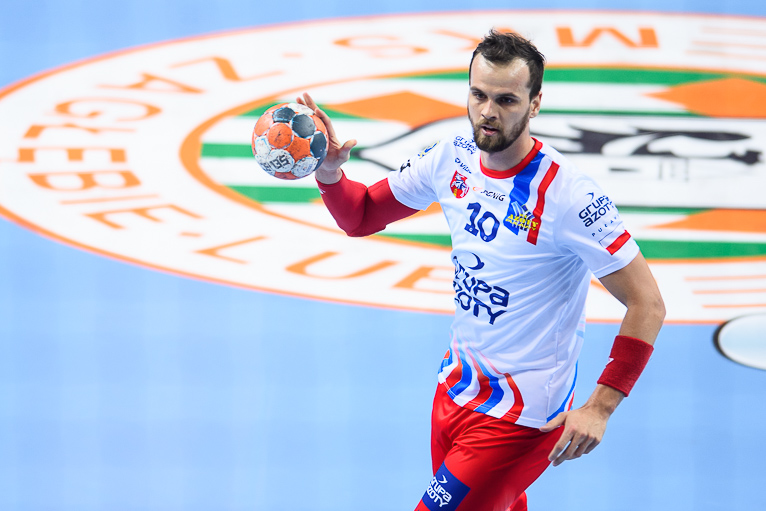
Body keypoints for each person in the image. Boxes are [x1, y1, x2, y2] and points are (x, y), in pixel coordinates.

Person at [299, 29, 665, 511]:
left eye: (506, 100)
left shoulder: (569, 196)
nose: (488, 111)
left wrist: (600, 406)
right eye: (478, 95)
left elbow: (647, 303)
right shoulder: (452, 158)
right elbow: (361, 216)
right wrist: (329, 173)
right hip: (456, 386)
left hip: (522, 416)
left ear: (535, 104)